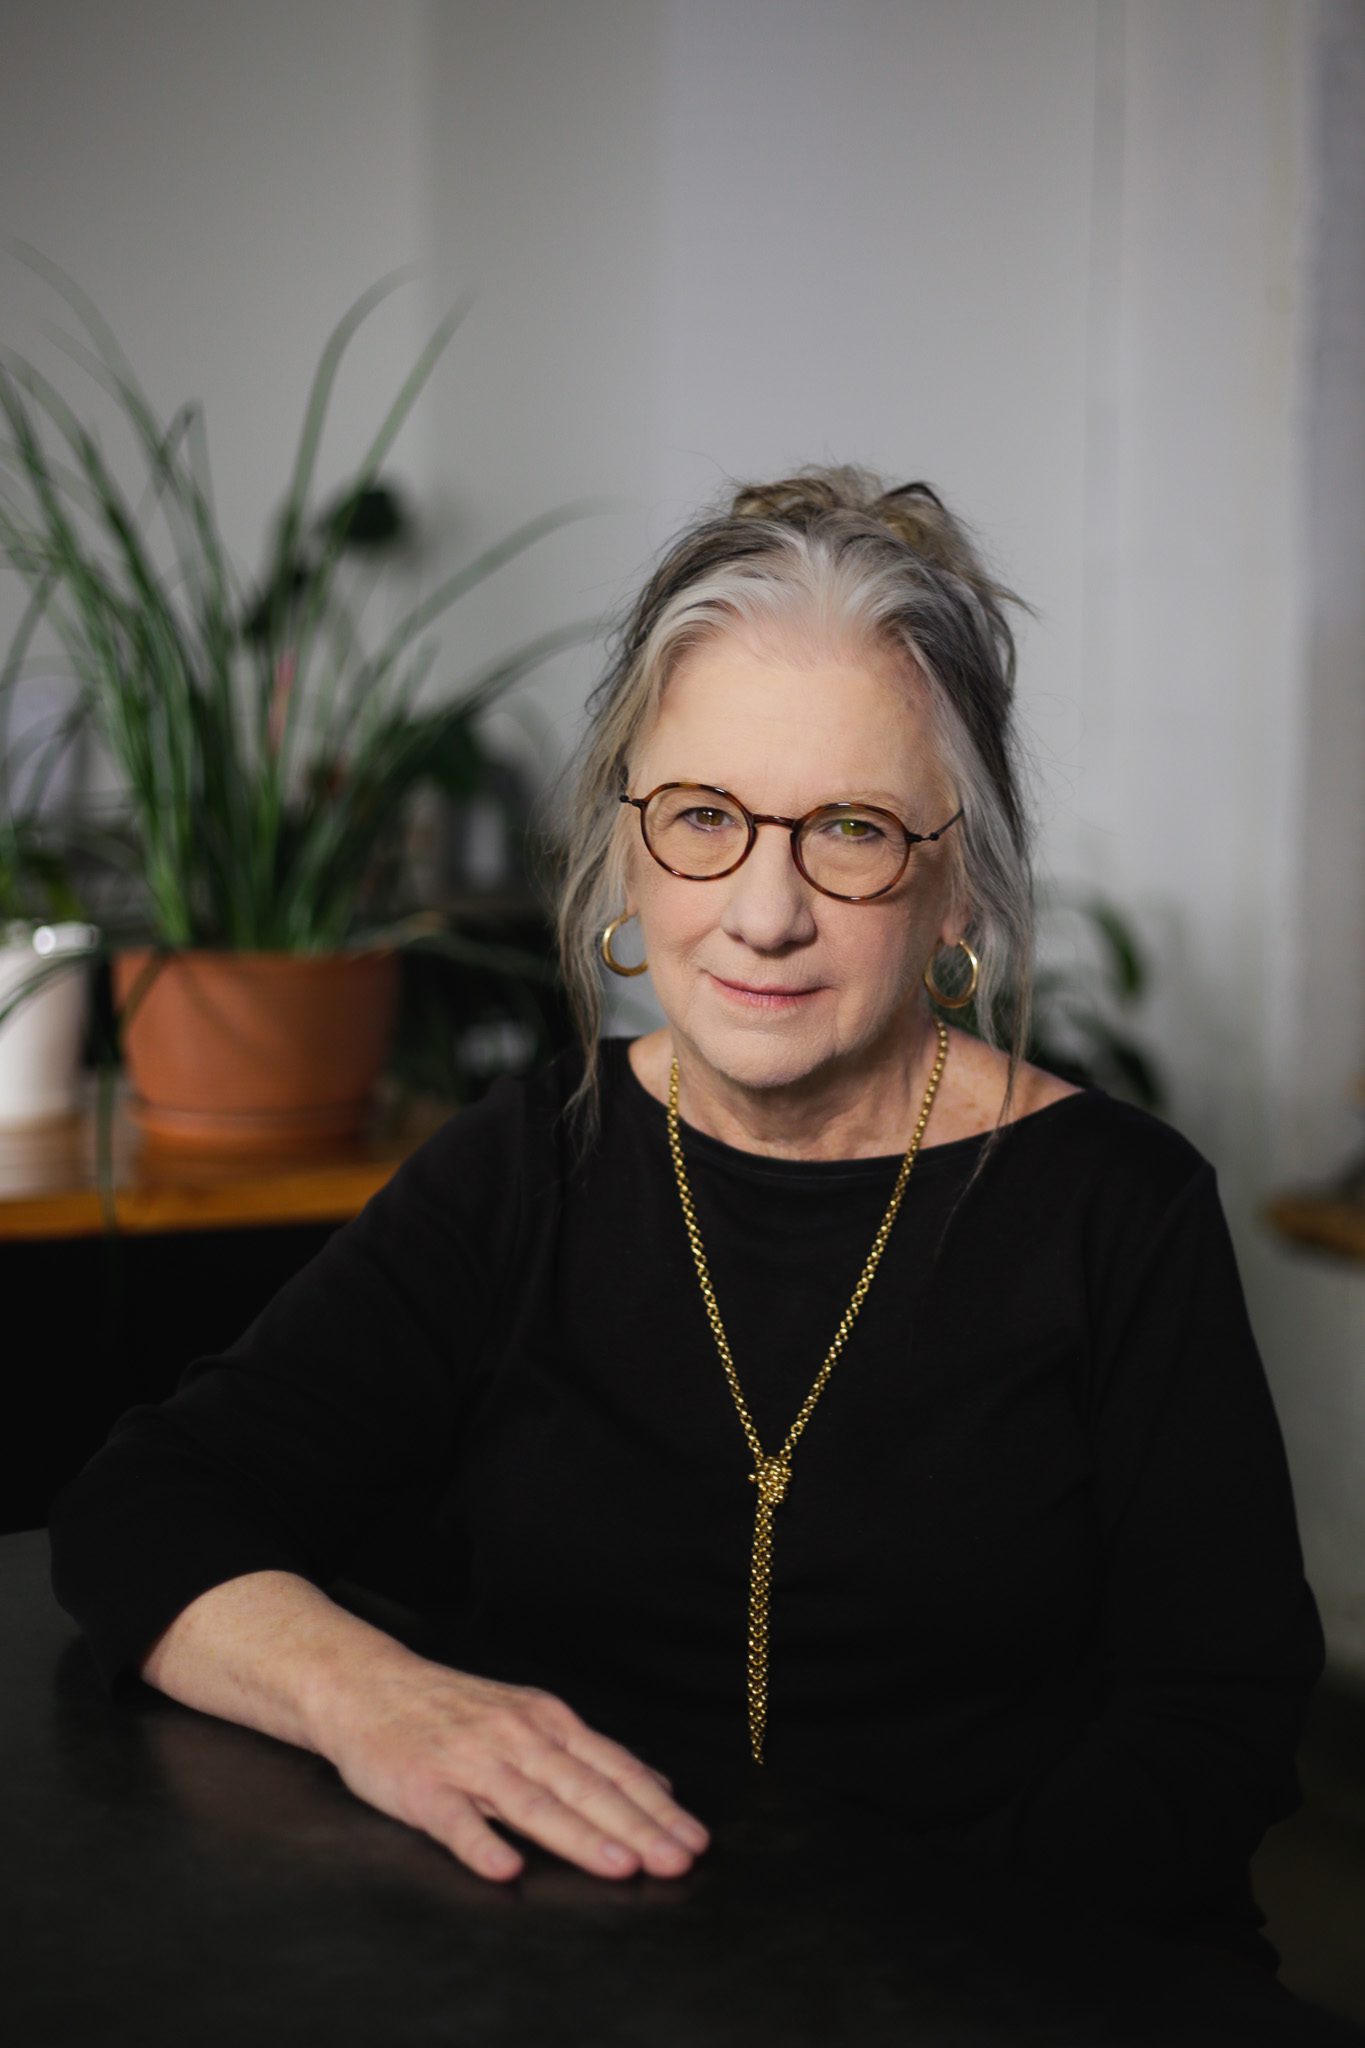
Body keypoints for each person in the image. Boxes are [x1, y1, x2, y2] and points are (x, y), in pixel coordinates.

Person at [48, 466, 1324, 1972]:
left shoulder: (1117, 1208)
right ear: (627, 847)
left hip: (1004, 1984)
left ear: (956, 882)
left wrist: (899, 1974)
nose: (761, 911)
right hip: (593, 1974)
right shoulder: (524, 1167)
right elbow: (144, 1508)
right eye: (704, 816)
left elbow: (1211, 1718)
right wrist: (374, 1699)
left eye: (848, 830)